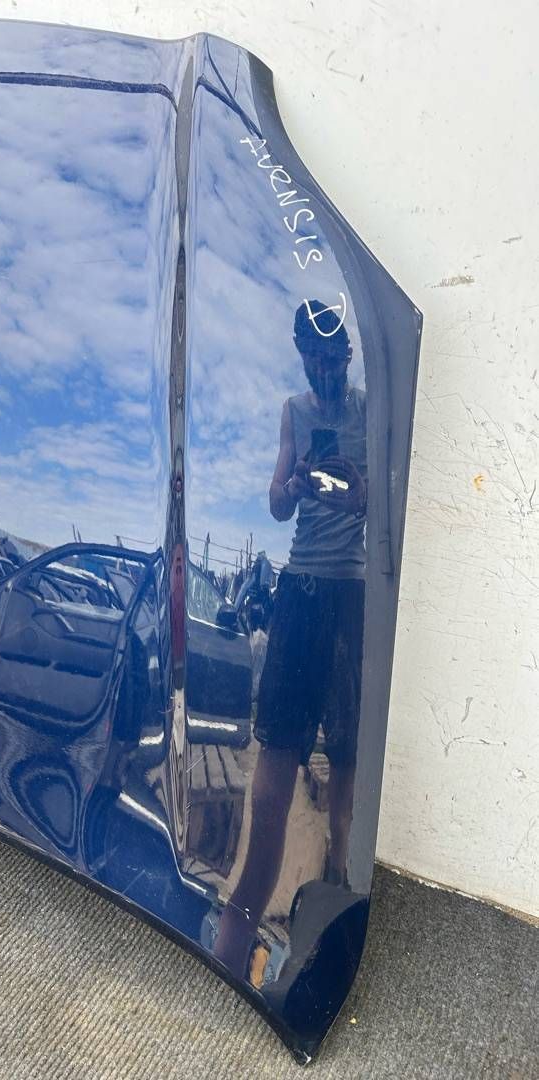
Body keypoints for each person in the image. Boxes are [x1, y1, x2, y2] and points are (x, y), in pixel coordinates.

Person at [214, 300, 367, 982]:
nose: (324, 372)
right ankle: (236, 932)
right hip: (301, 589)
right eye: (313, 360)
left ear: (348, 357)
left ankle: (340, 907)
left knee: (349, 759)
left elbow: (383, 500)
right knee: (274, 765)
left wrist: (358, 491)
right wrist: (300, 481)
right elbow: (276, 503)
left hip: (351, 591)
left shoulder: (369, 410)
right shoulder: (293, 412)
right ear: (302, 356)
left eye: (333, 360)